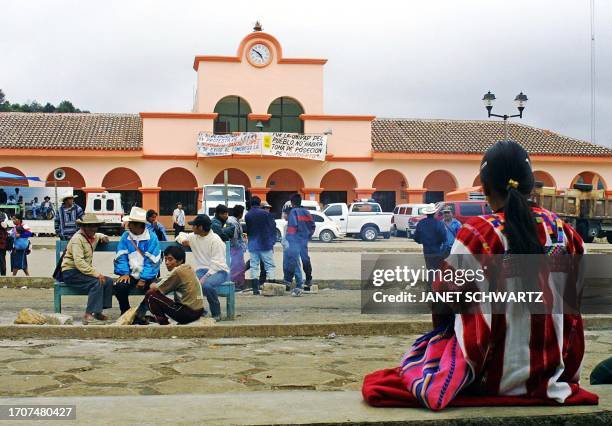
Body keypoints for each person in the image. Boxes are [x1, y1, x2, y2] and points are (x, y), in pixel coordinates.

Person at [363, 141, 592, 410]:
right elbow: (575, 301)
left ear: (485, 188)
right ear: (531, 186)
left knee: (420, 356)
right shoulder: (565, 233)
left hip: (489, 377)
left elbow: (444, 298)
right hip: (554, 374)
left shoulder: (478, 233)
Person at [61, 213, 114, 324]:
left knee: (108, 281)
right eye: (90, 226)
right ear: (83, 227)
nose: (93, 228)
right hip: (70, 272)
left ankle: (98, 312)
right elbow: (79, 262)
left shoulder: (93, 236)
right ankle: (88, 314)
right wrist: (96, 274)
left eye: (95, 226)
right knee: (97, 282)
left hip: (81, 272)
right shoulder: (77, 239)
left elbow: (98, 235)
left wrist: (104, 237)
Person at [176, 214, 229, 321]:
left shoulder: (216, 240)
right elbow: (180, 234)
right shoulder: (194, 237)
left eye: (194, 226)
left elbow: (217, 264)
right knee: (188, 283)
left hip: (219, 271)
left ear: (200, 227)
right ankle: (200, 311)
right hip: (202, 270)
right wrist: (182, 241)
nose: (192, 228)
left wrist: (203, 279)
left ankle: (216, 313)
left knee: (207, 285)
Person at [114, 207, 161, 323]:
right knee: (120, 287)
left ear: (139, 225)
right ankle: (125, 312)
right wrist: (124, 273)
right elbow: (121, 256)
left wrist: (144, 278)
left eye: (131, 223)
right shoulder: (126, 236)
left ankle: (140, 313)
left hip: (148, 276)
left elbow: (152, 261)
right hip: (130, 273)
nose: (128, 225)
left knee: (154, 291)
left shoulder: (152, 238)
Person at [143, 245, 205, 325]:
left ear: (180, 260)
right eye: (165, 259)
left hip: (188, 313)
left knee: (150, 295)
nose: (167, 263)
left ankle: (163, 323)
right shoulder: (187, 267)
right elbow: (167, 281)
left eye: (170, 259)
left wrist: (150, 283)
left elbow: (155, 288)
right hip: (198, 311)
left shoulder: (177, 271)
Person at [282, 194, 315, 296]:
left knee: (293, 261)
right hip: (304, 240)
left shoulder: (293, 212)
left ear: (292, 203)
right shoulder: (307, 212)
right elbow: (313, 226)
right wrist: (307, 236)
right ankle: (309, 280)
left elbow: (292, 227)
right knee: (305, 259)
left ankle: (289, 282)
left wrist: (289, 239)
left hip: (295, 241)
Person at [244, 196, 276, 295]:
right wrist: (272, 241)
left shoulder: (248, 215)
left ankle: (255, 289)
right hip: (265, 244)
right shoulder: (266, 214)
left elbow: (248, 230)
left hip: (253, 244)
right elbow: (272, 228)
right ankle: (271, 287)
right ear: (259, 203)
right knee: (269, 266)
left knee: (254, 266)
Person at [413, 205, 446, 288]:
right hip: (437, 250)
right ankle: (437, 286)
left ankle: (430, 286)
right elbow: (444, 237)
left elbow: (416, 238)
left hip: (427, 250)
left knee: (429, 268)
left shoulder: (421, 223)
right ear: (434, 213)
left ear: (426, 214)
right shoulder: (439, 223)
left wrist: (422, 241)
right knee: (437, 269)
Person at [281, 206, 304, 291]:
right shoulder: (287, 225)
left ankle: (299, 284)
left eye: (285, 214)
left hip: (293, 248)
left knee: (295, 266)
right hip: (287, 249)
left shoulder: (294, 225)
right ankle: (287, 283)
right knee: (286, 266)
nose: (284, 216)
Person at [227, 205, 247, 290]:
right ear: (240, 213)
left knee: (235, 267)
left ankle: (236, 284)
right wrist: (240, 248)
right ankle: (236, 285)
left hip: (232, 248)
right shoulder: (234, 222)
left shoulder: (232, 220)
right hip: (235, 248)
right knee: (237, 267)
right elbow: (234, 238)